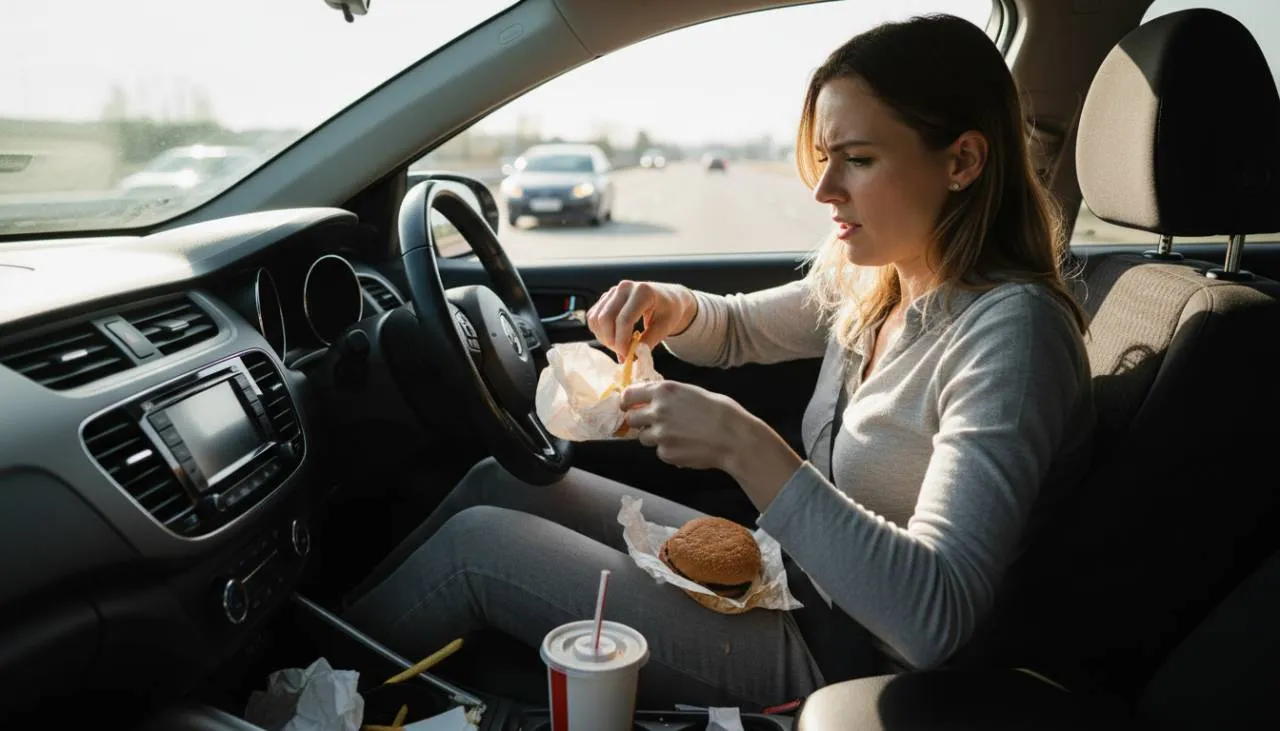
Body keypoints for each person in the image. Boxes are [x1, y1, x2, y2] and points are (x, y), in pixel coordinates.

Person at [342, 13, 1094, 711]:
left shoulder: (1012, 337)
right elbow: (736, 329)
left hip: (855, 663)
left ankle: (299, 695)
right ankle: (328, 664)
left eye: (858, 160)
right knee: (498, 479)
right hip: (798, 577)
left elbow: (934, 620)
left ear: (962, 160)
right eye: (825, 158)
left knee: (479, 550)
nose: (824, 189)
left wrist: (746, 447)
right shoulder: (880, 277)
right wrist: (669, 304)